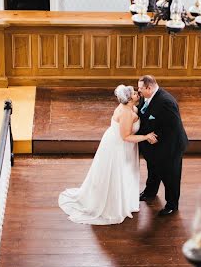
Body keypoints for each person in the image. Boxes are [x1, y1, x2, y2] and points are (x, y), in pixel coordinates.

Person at [58, 85, 157, 225]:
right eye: (134, 93)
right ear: (129, 99)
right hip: (118, 147)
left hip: (123, 145)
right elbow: (125, 136)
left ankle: (126, 200)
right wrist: (146, 136)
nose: (137, 94)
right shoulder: (126, 113)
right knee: (117, 174)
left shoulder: (131, 108)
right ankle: (114, 205)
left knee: (126, 172)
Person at [137, 75, 188, 215]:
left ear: (149, 87)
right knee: (153, 170)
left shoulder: (166, 102)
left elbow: (173, 127)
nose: (138, 91)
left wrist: (154, 136)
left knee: (170, 177)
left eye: (140, 88)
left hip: (169, 147)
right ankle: (150, 192)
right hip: (153, 148)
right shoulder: (146, 96)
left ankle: (172, 204)